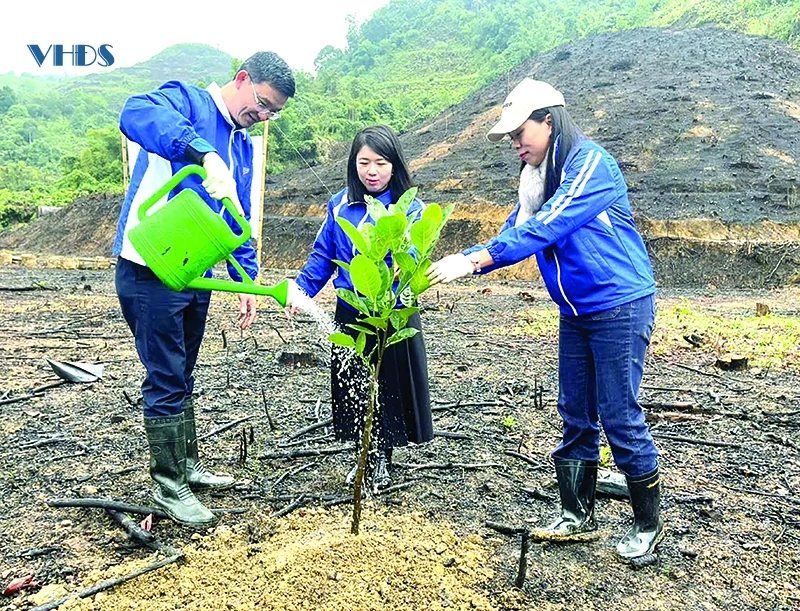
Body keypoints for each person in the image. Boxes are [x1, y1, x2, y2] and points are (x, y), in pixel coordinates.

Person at [426, 78, 662, 559]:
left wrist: (474, 261)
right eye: (509, 137)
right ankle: (577, 514)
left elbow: (546, 226)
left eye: (520, 133)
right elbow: (515, 230)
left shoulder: (591, 165)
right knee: (575, 410)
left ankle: (647, 522)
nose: (514, 144)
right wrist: (465, 258)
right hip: (575, 311)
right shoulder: (536, 180)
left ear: (549, 122)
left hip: (618, 303)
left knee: (618, 413)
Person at [113, 52, 295, 527]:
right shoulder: (187, 104)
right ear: (241, 79)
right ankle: (169, 486)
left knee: (184, 368)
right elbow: (134, 112)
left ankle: (187, 467)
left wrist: (246, 281)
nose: (263, 117)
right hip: (151, 268)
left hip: (197, 272)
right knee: (167, 373)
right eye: (261, 104)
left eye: (273, 113)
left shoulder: (246, 146)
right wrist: (202, 152)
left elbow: (239, 220)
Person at [286, 125, 433, 492]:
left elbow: (416, 252)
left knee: (389, 385)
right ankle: (363, 453)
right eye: (363, 162)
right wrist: (301, 292)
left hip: (392, 311)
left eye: (380, 163)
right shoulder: (340, 206)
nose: (372, 171)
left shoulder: (410, 209)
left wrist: (405, 260)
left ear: (395, 166)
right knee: (354, 385)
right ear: (353, 165)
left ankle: (383, 456)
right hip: (352, 310)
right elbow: (323, 256)